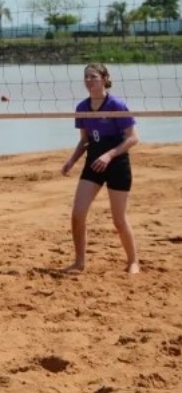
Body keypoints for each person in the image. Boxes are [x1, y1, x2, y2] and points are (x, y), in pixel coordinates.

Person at [60, 63, 141, 274]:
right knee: (77, 214)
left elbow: (133, 138)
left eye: (93, 77)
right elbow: (85, 141)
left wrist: (109, 155)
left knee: (119, 220)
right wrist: (71, 161)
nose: (89, 81)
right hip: (93, 163)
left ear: (104, 79)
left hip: (117, 164)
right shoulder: (82, 108)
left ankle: (133, 261)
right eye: (86, 77)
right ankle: (79, 262)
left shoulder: (116, 105)